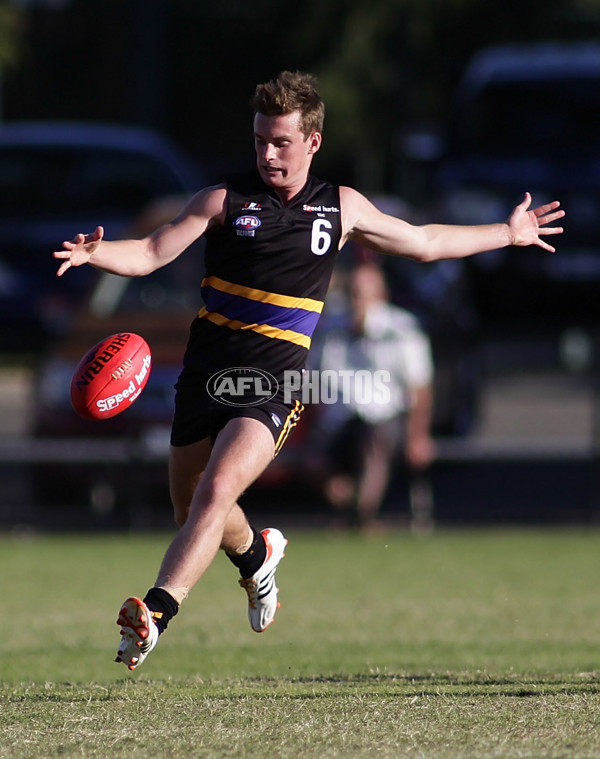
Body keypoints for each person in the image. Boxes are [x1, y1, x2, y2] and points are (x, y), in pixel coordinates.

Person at [52, 71, 565, 671]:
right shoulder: (222, 200)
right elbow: (149, 253)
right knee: (191, 504)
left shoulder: (340, 207)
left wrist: (507, 232)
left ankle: (156, 614)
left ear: (313, 142)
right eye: (261, 140)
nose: (268, 153)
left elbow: (423, 242)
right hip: (205, 373)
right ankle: (257, 560)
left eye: (281, 142)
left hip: (274, 380)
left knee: (218, 490)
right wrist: (97, 254)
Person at [308, 260, 435, 530]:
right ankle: (352, 508)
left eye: (365, 294)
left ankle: (361, 517)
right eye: (354, 293)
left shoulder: (402, 329)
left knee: (374, 443)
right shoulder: (330, 328)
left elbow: (420, 387)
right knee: (312, 458)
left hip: (386, 417)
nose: (359, 301)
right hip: (339, 418)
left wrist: (418, 437)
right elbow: (312, 380)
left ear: (381, 296)